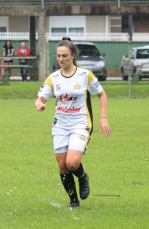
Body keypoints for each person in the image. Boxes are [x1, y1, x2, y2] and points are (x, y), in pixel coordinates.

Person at [34, 37, 111, 209]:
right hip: (60, 124)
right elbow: (40, 98)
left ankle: (83, 177)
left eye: (65, 56)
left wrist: (103, 117)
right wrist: (39, 103)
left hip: (80, 123)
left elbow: (101, 94)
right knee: (62, 166)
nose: (61, 59)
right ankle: (73, 201)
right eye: (59, 56)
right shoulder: (53, 78)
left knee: (72, 163)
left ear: (73, 56)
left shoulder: (85, 75)